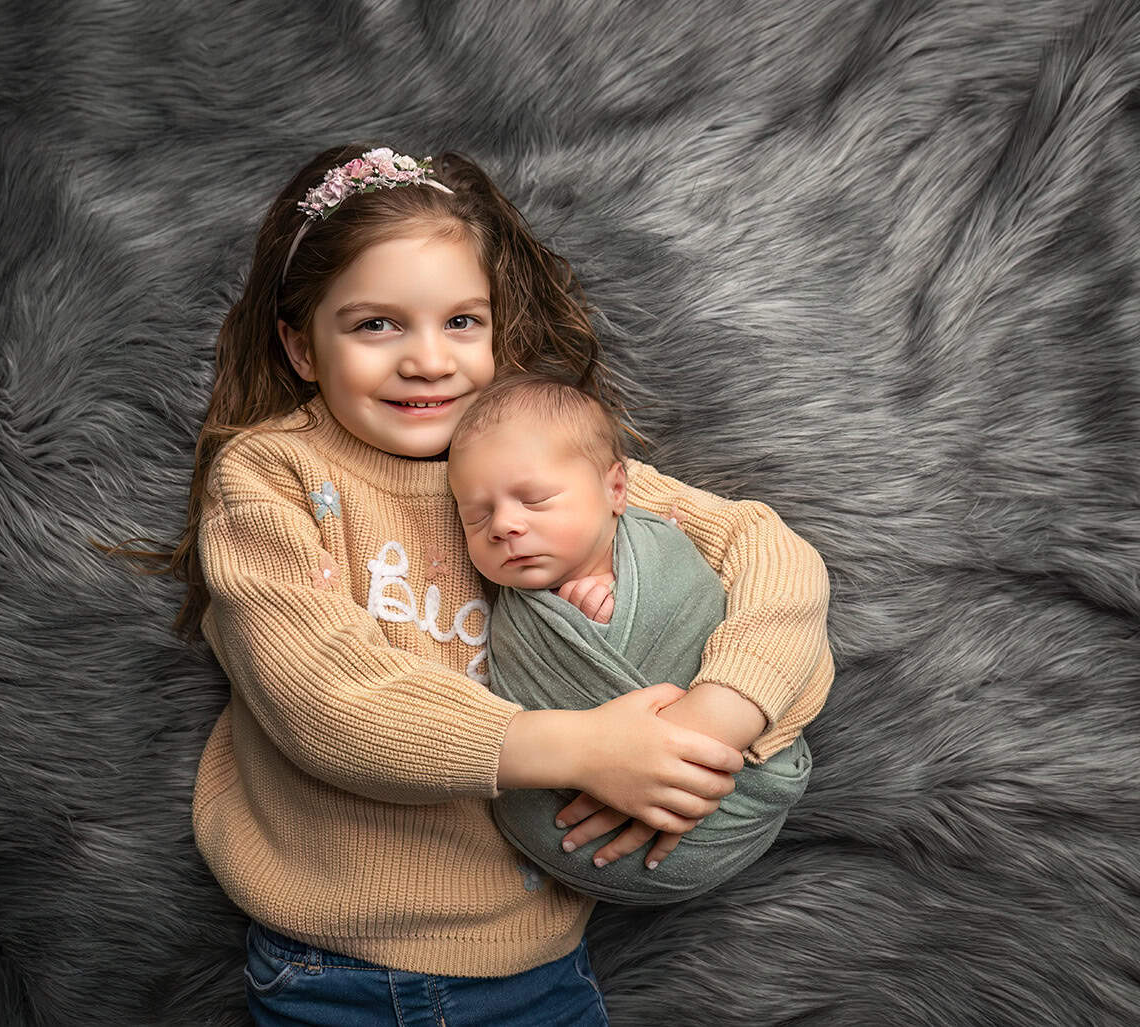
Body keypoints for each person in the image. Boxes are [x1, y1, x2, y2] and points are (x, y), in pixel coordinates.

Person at [122, 142, 832, 1025]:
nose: (428, 360)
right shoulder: (275, 480)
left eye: (462, 321)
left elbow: (772, 553)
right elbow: (329, 705)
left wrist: (719, 711)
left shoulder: (527, 464)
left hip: (543, 962)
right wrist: (584, 749)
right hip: (342, 969)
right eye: (377, 325)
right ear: (302, 347)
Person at [446, 373, 816, 906]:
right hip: (565, 837)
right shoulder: (514, 613)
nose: (503, 525)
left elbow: (769, 583)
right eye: (476, 517)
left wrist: (703, 722)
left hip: (728, 786)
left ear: (616, 490)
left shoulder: (666, 538)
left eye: (535, 499)